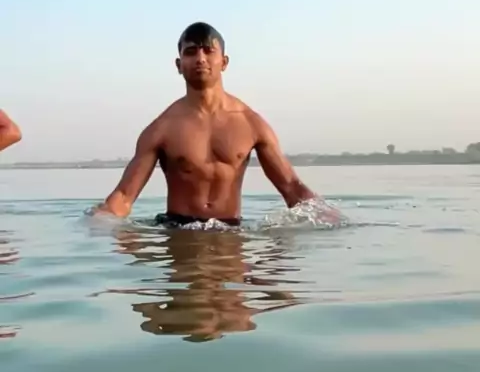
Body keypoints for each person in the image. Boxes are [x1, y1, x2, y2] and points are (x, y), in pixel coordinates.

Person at [93, 21, 332, 225]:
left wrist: (328, 215)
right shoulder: (162, 128)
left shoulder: (251, 124)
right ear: (179, 65)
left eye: (208, 51)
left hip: (231, 233)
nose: (200, 59)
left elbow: (291, 187)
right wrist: (99, 220)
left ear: (224, 62)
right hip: (179, 233)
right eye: (191, 52)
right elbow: (124, 197)